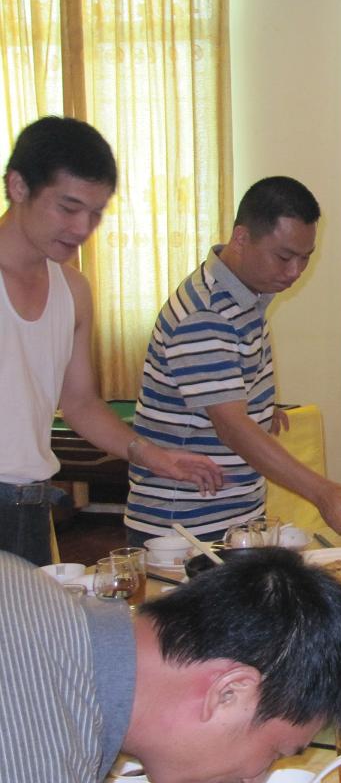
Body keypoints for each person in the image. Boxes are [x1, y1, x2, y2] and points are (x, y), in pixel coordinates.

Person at [0, 116, 223, 566]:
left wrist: (151, 455)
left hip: (31, 505)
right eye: (68, 207)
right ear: (18, 186)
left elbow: (80, 403)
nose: (82, 228)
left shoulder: (73, 290)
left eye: (96, 213)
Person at [0, 546, 341, 783]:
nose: (255, 781)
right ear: (230, 692)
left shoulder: (30, 593)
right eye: (275, 753)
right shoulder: (39, 751)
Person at [124, 176, 341, 542]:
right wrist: (322, 491)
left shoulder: (246, 297)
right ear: (241, 238)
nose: (295, 272)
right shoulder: (206, 313)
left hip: (231, 515)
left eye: (305, 258)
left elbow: (222, 400)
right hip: (184, 525)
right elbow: (232, 428)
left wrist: (259, 409)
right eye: (284, 257)